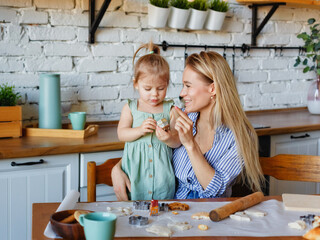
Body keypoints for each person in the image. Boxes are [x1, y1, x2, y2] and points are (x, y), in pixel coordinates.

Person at [112, 51, 264, 200]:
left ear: (212, 89)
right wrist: (117, 169)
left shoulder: (239, 136)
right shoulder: (183, 116)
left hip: (210, 212)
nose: (181, 93)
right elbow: (151, 148)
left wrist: (190, 144)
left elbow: (215, 190)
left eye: (188, 86)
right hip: (174, 209)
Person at [117, 41, 181, 200]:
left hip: (163, 179)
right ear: (136, 84)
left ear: (167, 84)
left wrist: (169, 138)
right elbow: (121, 134)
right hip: (135, 175)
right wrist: (139, 130)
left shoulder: (171, 109)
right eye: (148, 89)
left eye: (161, 88)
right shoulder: (131, 108)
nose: (154, 94)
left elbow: (178, 142)